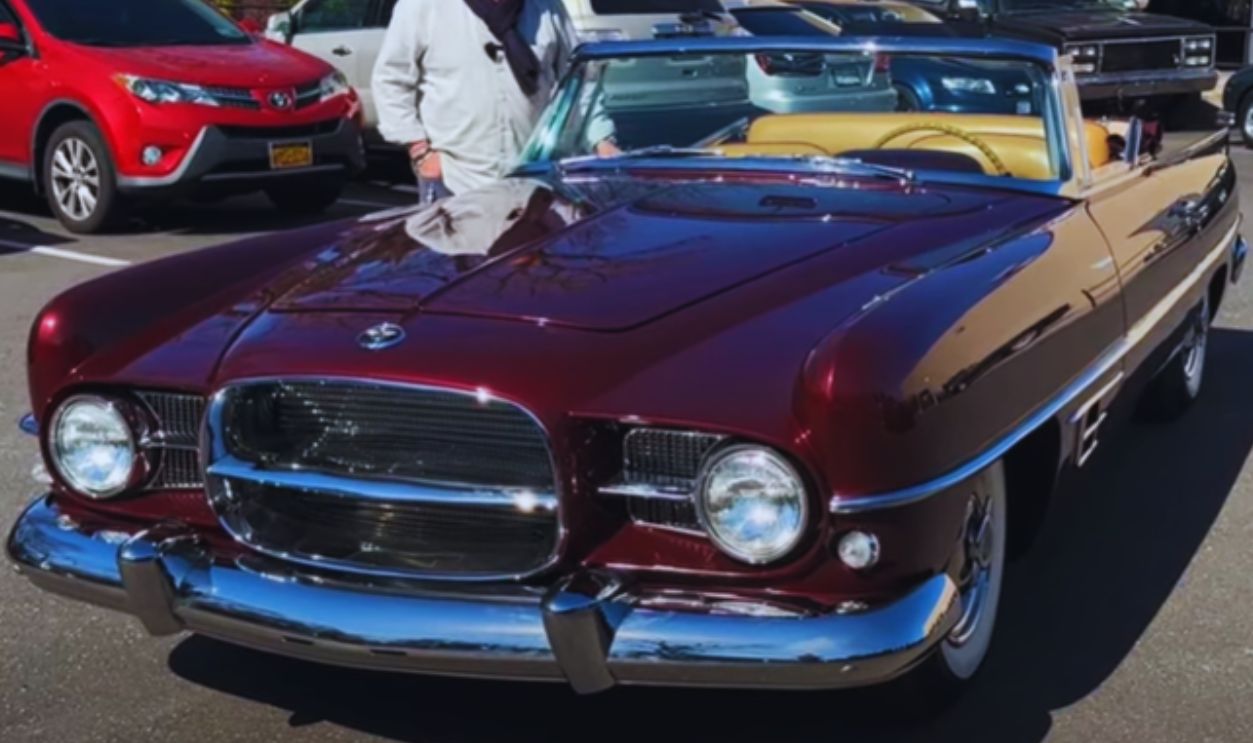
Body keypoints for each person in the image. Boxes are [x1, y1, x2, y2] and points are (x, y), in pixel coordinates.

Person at [372, 0, 612, 203]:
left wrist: (600, 139)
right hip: (455, 178)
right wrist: (420, 151)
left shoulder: (546, 7)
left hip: (535, 176)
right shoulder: (424, 6)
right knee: (458, 258)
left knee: (530, 257)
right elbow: (391, 80)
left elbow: (578, 79)